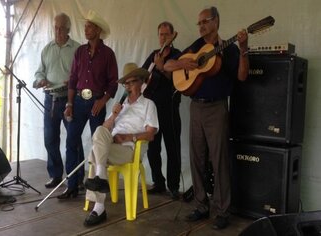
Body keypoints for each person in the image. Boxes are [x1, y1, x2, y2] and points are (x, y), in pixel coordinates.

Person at [164, 6, 249, 230]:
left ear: (216, 22)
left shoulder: (228, 49)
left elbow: (242, 76)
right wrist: (183, 63)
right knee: (196, 158)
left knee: (219, 159)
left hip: (216, 108)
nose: (201, 26)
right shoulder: (196, 46)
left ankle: (222, 210)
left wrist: (243, 49)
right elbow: (167, 65)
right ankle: (201, 205)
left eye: (205, 22)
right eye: (199, 23)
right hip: (196, 107)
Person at [83, 63, 159, 226]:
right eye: (126, 83)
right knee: (99, 131)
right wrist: (114, 116)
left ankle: (98, 206)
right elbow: (104, 130)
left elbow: (151, 134)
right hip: (110, 145)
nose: (129, 86)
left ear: (141, 83)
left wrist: (128, 137)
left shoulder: (148, 105)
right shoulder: (120, 105)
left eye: (132, 82)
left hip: (129, 149)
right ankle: (101, 178)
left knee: (95, 153)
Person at [58, 10, 118, 199]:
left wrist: (103, 101)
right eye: (85, 26)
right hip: (77, 101)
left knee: (97, 144)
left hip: (96, 103)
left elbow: (113, 82)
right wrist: (69, 103)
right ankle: (72, 185)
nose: (86, 29)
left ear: (98, 30)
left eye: (90, 26)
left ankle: (96, 185)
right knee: (71, 141)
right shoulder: (80, 52)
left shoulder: (108, 54)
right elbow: (73, 79)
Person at [33, 13, 84, 190]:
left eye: (62, 27)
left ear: (68, 29)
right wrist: (40, 80)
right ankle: (55, 175)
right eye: (55, 27)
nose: (58, 31)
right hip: (51, 99)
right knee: (50, 138)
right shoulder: (47, 49)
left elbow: (84, 75)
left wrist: (74, 83)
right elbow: (39, 72)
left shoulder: (78, 49)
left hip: (71, 98)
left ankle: (77, 177)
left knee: (73, 139)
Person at [142, 21, 182, 200]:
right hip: (152, 111)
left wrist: (161, 67)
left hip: (170, 109)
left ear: (173, 36)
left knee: (172, 148)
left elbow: (178, 82)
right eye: (161, 34)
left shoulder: (178, 55)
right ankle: (158, 182)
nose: (163, 38)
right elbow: (142, 76)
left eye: (166, 34)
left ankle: (173, 186)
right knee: (153, 148)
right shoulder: (153, 54)